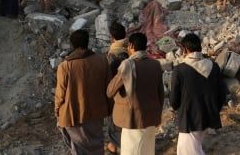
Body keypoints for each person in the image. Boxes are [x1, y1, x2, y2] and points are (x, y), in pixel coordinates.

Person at [107, 32, 164, 155]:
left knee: (131, 150)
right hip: (151, 116)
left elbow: (110, 91)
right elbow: (160, 92)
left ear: (131, 46)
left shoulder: (128, 64)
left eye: (128, 46)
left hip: (133, 119)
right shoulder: (155, 64)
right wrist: (158, 114)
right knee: (147, 150)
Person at [55, 29, 111, 155]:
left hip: (73, 114)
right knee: (96, 144)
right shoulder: (102, 60)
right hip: (97, 112)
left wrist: (57, 111)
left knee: (78, 147)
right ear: (87, 43)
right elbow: (108, 88)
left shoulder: (65, 66)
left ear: (72, 45)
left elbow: (60, 94)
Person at [170, 33, 226, 155]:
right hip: (209, 116)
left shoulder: (180, 70)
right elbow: (222, 93)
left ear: (185, 49)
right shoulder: (214, 66)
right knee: (196, 146)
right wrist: (215, 109)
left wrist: (176, 108)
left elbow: (174, 98)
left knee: (187, 151)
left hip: (190, 118)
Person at [105, 22, 129, 154]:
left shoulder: (113, 54)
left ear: (112, 37)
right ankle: (114, 145)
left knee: (115, 123)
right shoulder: (130, 50)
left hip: (116, 94)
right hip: (131, 93)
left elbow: (110, 79)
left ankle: (117, 147)